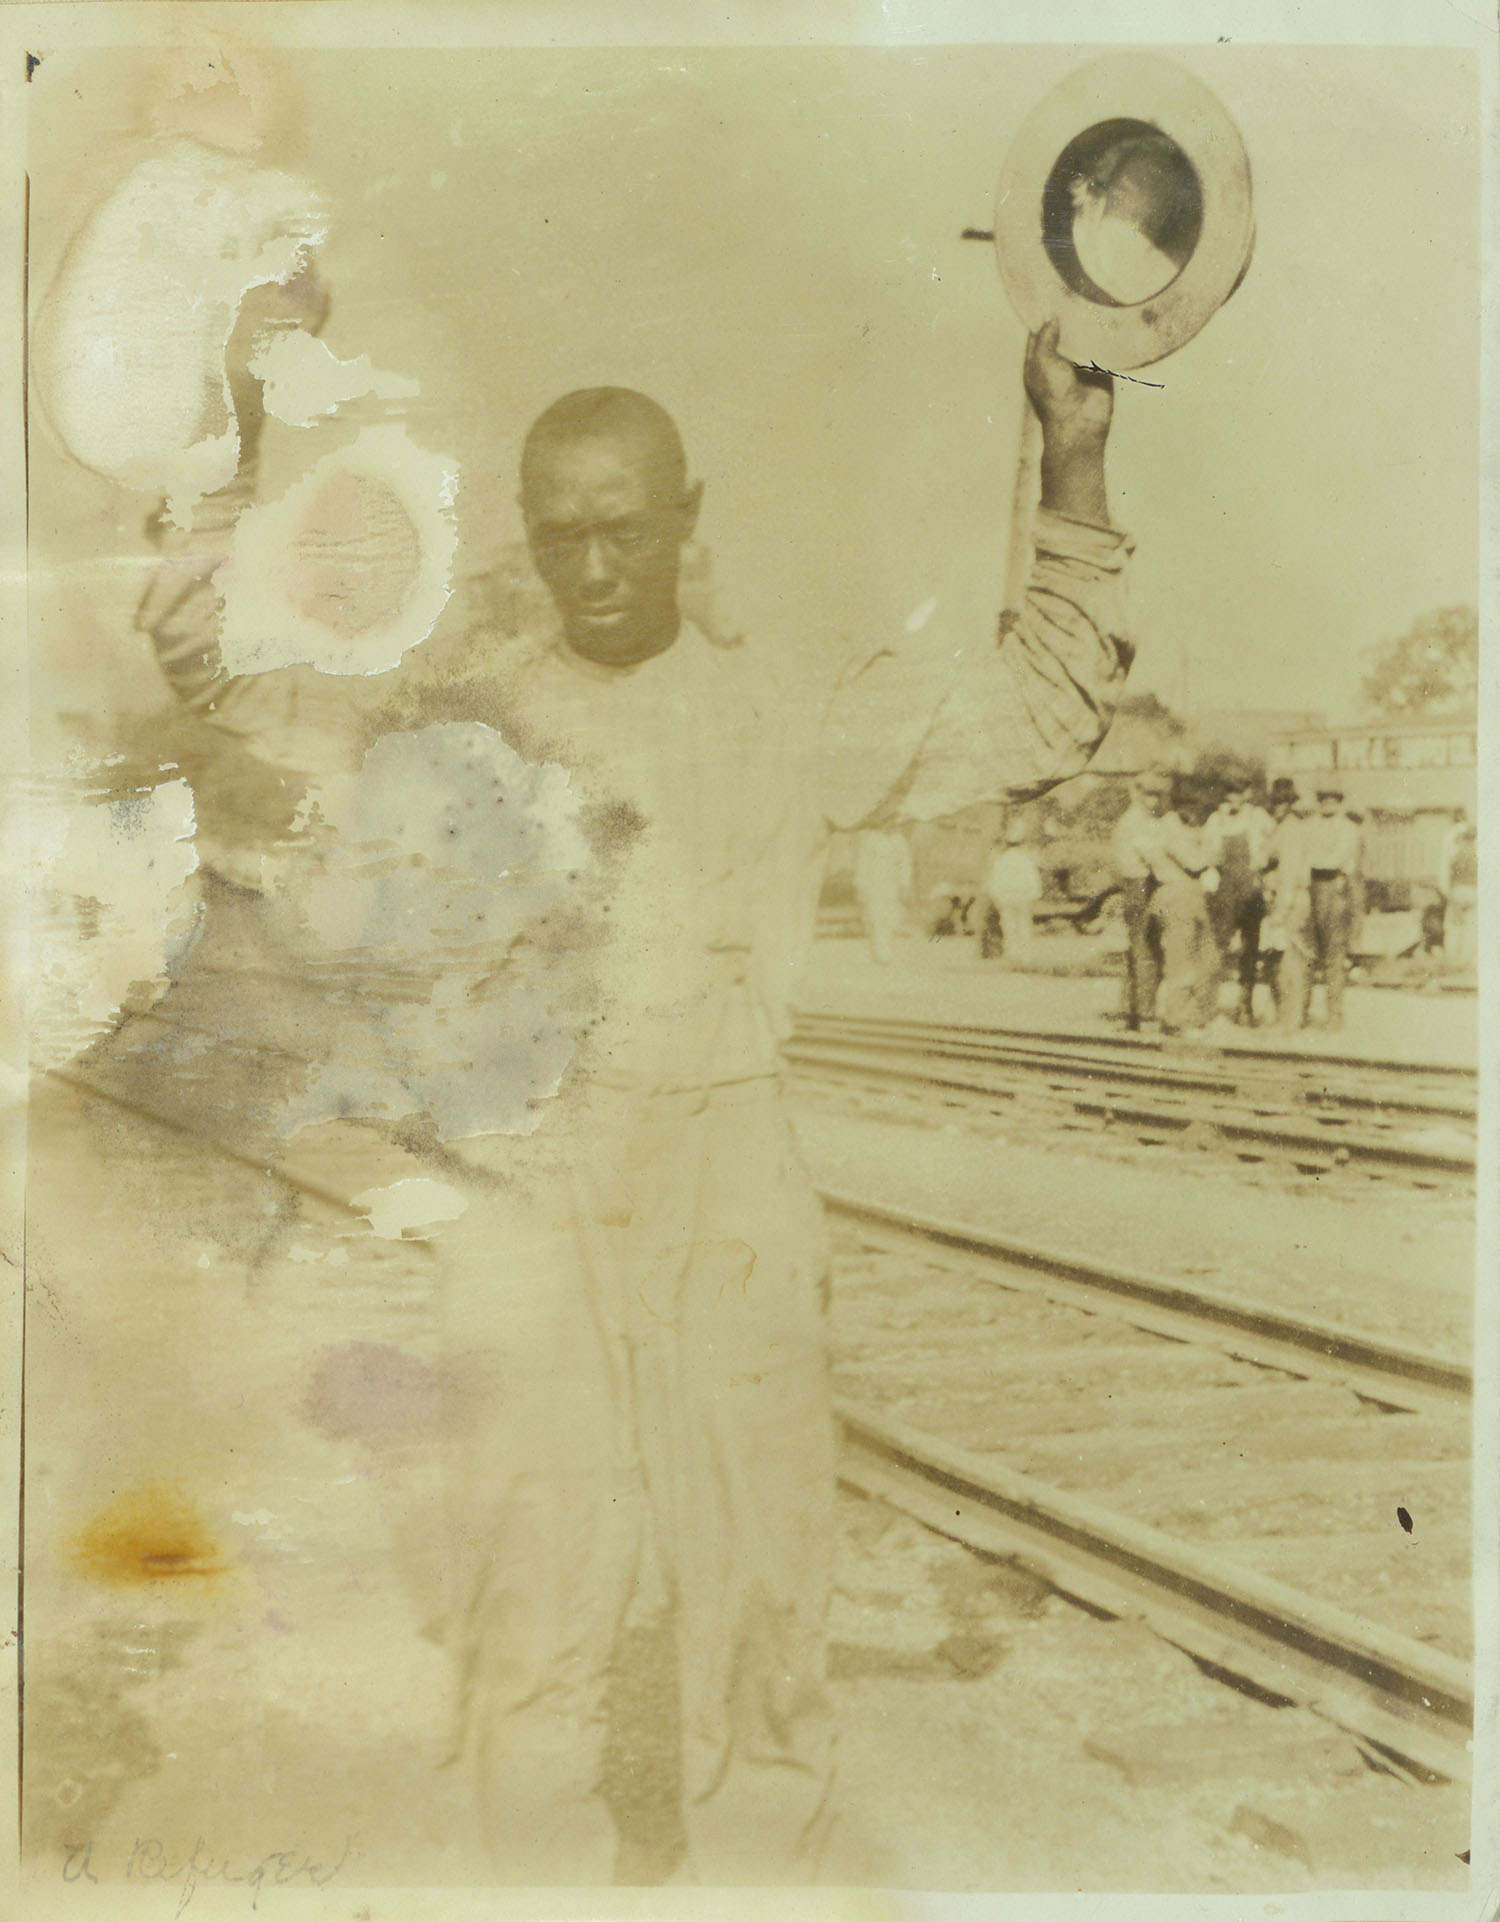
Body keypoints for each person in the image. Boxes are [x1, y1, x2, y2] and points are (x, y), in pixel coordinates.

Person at [125, 321, 1135, 1886]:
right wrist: (227, 443)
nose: (593, 565)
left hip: (732, 1162)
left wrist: (1076, 452)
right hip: (533, 1176)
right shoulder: (459, 713)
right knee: (528, 1599)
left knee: (764, 1597)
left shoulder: (794, 701)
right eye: (561, 533)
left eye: (624, 527)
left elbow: (1044, 709)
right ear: (530, 534)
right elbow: (229, 667)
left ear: (685, 516)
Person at [1201, 776, 1275, 1026]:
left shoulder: (1259, 817)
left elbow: (1274, 846)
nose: (1232, 797)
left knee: (1250, 952)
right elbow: (1208, 854)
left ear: (1247, 793)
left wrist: (1262, 864)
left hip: (1252, 891)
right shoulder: (1216, 819)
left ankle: (1245, 1007)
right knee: (1216, 948)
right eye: (1228, 792)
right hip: (1225, 890)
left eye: (1237, 792)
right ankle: (1206, 1006)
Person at [1151, 775, 1220, 1036]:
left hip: (1191, 896)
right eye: (1189, 804)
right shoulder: (1169, 827)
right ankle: (1175, 1020)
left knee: (1206, 959)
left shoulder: (1186, 825)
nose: (1194, 810)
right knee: (1180, 962)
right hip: (1175, 895)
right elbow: (1195, 861)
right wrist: (1212, 847)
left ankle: (1193, 1015)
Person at [1110, 767, 1171, 1029]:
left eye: (1158, 796)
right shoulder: (1135, 822)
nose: (1154, 801)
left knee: (1140, 949)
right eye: (1149, 795)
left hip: (1141, 884)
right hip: (1140, 885)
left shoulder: (1143, 820)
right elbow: (1155, 857)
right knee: (1145, 950)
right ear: (1138, 793)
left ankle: (1132, 1012)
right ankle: (1143, 1013)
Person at [1299, 778, 1362, 1030]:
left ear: (1339, 801)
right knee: (1305, 953)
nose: (1327, 803)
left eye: (1332, 798)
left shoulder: (1348, 828)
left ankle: (1334, 1015)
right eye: (1323, 798)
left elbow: (1335, 860)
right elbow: (1301, 856)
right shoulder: (1309, 826)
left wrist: (1312, 860)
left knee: (1334, 957)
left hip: (1334, 890)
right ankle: (1300, 1012)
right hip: (1308, 889)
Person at [1259, 776, 1309, 1030]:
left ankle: (1290, 1019)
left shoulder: (1290, 830)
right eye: (1275, 802)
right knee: (1278, 960)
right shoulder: (1280, 828)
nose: (1277, 807)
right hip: (1280, 899)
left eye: (1283, 802)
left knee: (1289, 961)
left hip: (1289, 901)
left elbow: (1288, 875)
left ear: (1290, 804)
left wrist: (1281, 910)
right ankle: (1283, 1015)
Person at [979, 818, 1043, 964]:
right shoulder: (1025, 859)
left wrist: (997, 897)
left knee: (1009, 926)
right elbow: (1033, 879)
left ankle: (1013, 954)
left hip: (1006, 896)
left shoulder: (1001, 859)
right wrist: (1034, 895)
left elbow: (995, 881)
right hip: (1023, 896)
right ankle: (1025, 955)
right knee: (1023, 925)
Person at [851, 827, 913, 964]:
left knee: (891, 917)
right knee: (875, 918)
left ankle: (886, 947)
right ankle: (880, 952)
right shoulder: (871, 840)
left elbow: (904, 864)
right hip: (874, 884)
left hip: (892, 885)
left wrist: (904, 884)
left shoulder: (899, 841)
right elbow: (863, 863)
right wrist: (861, 886)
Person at [1441, 807, 1478, 969]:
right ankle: (1467, 960)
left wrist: (1447, 892)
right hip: (1473, 892)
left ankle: (1452, 960)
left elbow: (1446, 873)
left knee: (1453, 926)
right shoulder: (1477, 852)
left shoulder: (1456, 850)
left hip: (1458, 891)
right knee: (1470, 927)